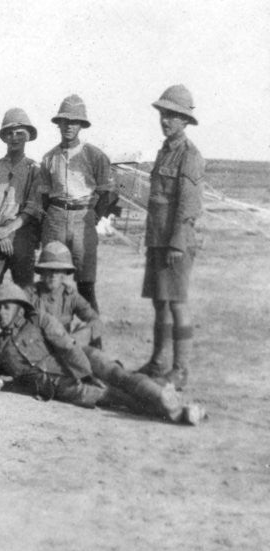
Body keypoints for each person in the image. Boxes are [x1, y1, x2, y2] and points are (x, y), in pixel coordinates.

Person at [0, 284, 204, 425]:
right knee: (116, 398)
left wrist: (86, 374)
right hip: (60, 386)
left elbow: (67, 346)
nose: (1, 312)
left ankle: (171, 401)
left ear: (20, 306)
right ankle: (179, 412)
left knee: (121, 377)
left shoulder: (39, 319)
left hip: (83, 359)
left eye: (6, 306)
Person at [136, 85, 205, 389]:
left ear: (185, 121)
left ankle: (180, 370)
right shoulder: (165, 150)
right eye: (163, 114)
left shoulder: (189, 155)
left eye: (173, 116)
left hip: (176, 243)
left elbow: (188, 204)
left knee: (177, 304)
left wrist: (177, 242)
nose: (165, 120)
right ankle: (158, 362)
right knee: (160, 304)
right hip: (158, 240)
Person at [39, 94, 118, 312]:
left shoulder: (95, 155)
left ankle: (93, 340)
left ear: (81, 125)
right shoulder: (48, 158)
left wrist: (94, 216)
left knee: (85, 284)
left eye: (74, 122)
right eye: (64, 121)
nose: (68, 126)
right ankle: (52, 339)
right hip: (55, 217)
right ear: (58, 124)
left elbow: (108, 193)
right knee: (51, 283)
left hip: (83, 218)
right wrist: (50, 219)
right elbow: (44, 197)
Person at [0, 108, 44, 288]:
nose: (14, 137)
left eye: (20, 133)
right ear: (4, 137)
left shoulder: (34, 170)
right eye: (9, 133)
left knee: (23, 290)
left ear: (28, 136)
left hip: (21, 236)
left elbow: (31, 209)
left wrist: (8, 231)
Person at [24, 241, 102, 348]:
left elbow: (96, 321)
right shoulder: (29, 294)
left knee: (101, 362)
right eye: (49, 270)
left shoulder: (70, 295)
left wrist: (76, 339)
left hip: (64, 349)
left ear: (65, 272)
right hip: (35, 349)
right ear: (42, 271)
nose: (53, 275)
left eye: (58, 270)